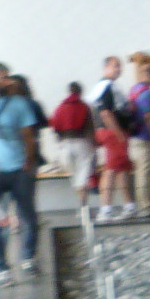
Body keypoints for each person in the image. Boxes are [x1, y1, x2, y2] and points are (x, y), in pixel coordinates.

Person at [0, 77, 39, 284]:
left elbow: (28, 135)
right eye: (1, 77)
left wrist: (29, 160)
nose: (6, 81)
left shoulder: (19, 103)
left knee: (27, 215)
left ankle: (28, 256)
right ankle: (0, 266)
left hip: (20, 168)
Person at [48, 82, 95, 210]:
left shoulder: (60, 107)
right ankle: (84, 206)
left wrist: (60, 143)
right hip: (81, 142)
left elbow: (55, 126)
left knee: (75, 177)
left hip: (65, 144)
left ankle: (82, 207)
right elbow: (89, 127)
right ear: (80, 92)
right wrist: (93, 143)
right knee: (83, 176)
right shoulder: (84, 107)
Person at [126, 59, 150, 214]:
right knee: (145, 171)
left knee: (140, 170)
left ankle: (149, 200)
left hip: (134, 135)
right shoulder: (146, 93)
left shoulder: (133, 90)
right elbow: (148, 116)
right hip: (145, 136)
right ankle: (145, 204)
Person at [94, 102, 132, 219]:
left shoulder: (105, 89)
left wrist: (117, 133)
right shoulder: (114, 91)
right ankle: (129, 205)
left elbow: (105, 114)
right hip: (116, 134)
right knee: (121, 171)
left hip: (112, 135)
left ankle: (106, 209)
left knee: (110, 172)